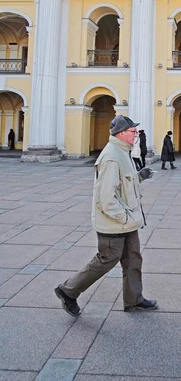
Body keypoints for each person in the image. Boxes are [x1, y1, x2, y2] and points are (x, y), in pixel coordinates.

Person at [54, 115, 157, 316]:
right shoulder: (111, 157)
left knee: (133, 259)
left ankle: (134, 299)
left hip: (127, 222)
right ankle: (68, 291)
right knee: (106, 260)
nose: (136, 134)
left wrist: (139, 177)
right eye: (133, 131)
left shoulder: (122, 152)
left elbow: (123, 184)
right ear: (121, 133)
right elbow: (106, 198)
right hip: (115, 223)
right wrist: (125, 218)